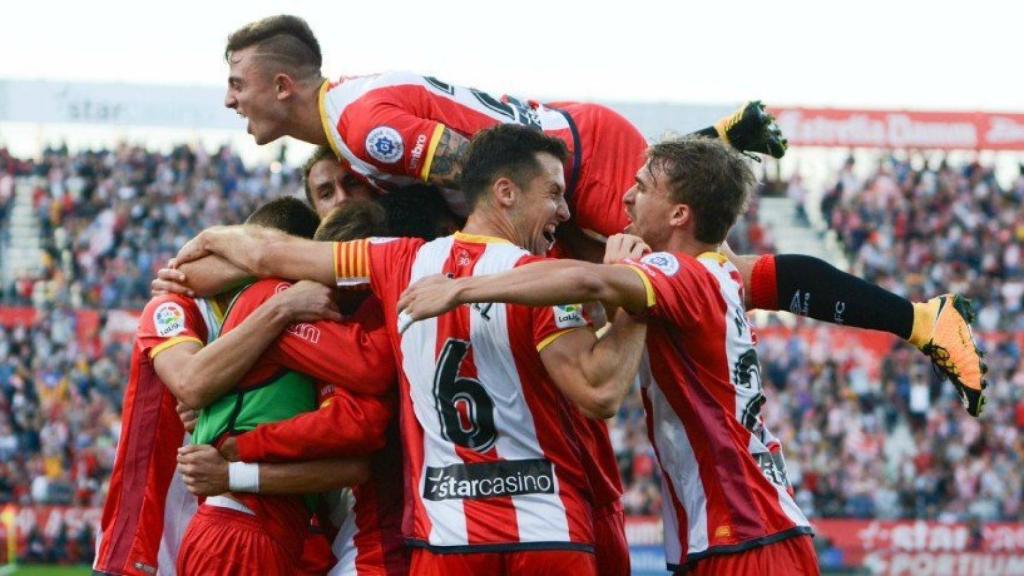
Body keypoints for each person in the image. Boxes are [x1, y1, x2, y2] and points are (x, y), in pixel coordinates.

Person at [216, 14, 987, 417]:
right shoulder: (351, 117)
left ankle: (925, 320)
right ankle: (708, 146)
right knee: (670, 282)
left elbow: (488, 170)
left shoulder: (357, 125)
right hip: (574, 157)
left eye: (239, 82)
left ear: (284, 85)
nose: (229, 99)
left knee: (713, 281)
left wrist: (462, 273)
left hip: (577, 159)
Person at [171, 125, 650, 575]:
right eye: (554, 193)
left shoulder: (396, 260)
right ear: (505, 192)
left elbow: (268, 254)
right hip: (545, 531)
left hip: (445, 539)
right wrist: (637, 301)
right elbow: (599, 391)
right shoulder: (546, 279)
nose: (565, 211)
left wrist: (208, 240)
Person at [396, 136, 819, 574]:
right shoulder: (718, 275)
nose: (626, 196)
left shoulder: (681, 272)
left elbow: (591, 284)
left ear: (679, 214)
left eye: (643, 187)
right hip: (737, 530)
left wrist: (459, 289)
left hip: (745, 533)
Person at [94, 198, 342, 576]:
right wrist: (283, 307)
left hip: (225, 536)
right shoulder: (177, 307)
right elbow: (191, 383)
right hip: (148, 545)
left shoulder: (287, 331)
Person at [169, 202, 396, 575]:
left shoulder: (271, 304)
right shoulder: (280, 298)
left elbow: (351, 464)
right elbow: (369, 367)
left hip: (252, 529)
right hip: (242, 535)